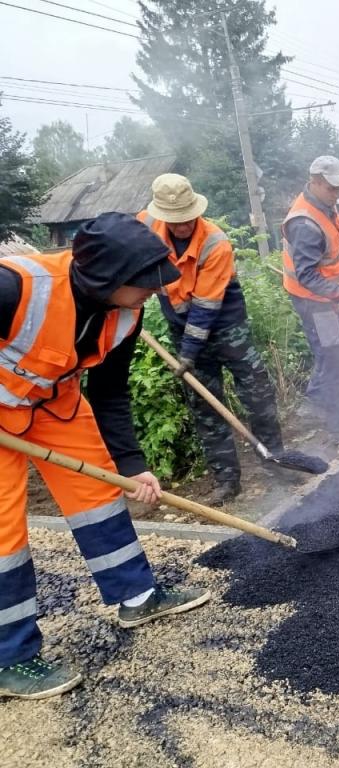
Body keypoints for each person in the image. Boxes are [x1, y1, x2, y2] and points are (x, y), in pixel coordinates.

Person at [0, 212, 210, 700]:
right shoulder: (14, 288)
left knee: (98, 495)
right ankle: (10, 657)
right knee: (3, 533)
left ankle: (137, 595)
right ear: (105, 278)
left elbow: (111, 392)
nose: (154, 292)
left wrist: (133, 466)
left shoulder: (126, 313)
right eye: (144, 283)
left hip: (55, 404)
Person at [139, 174, 284, 506]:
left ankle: (276, 462)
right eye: (174, 220)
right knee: (205, 407)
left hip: (227, 327)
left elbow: (205, 308)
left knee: (258, 393)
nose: (182, 226)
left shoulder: (215, 243)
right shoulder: (146, 225)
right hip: (182, 329)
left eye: (187, 218)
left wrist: (188, 353)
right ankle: (227, 480)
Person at [281, 156, 339, 436]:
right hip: (313, 300)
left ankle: (316, 399)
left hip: (325, 295)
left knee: (331, 350)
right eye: (332, 188)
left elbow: (332, 228)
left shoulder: (324, 204)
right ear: (315, 182)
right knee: (335, 359)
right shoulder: (304, 224)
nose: (337, 194)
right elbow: (308, 277)